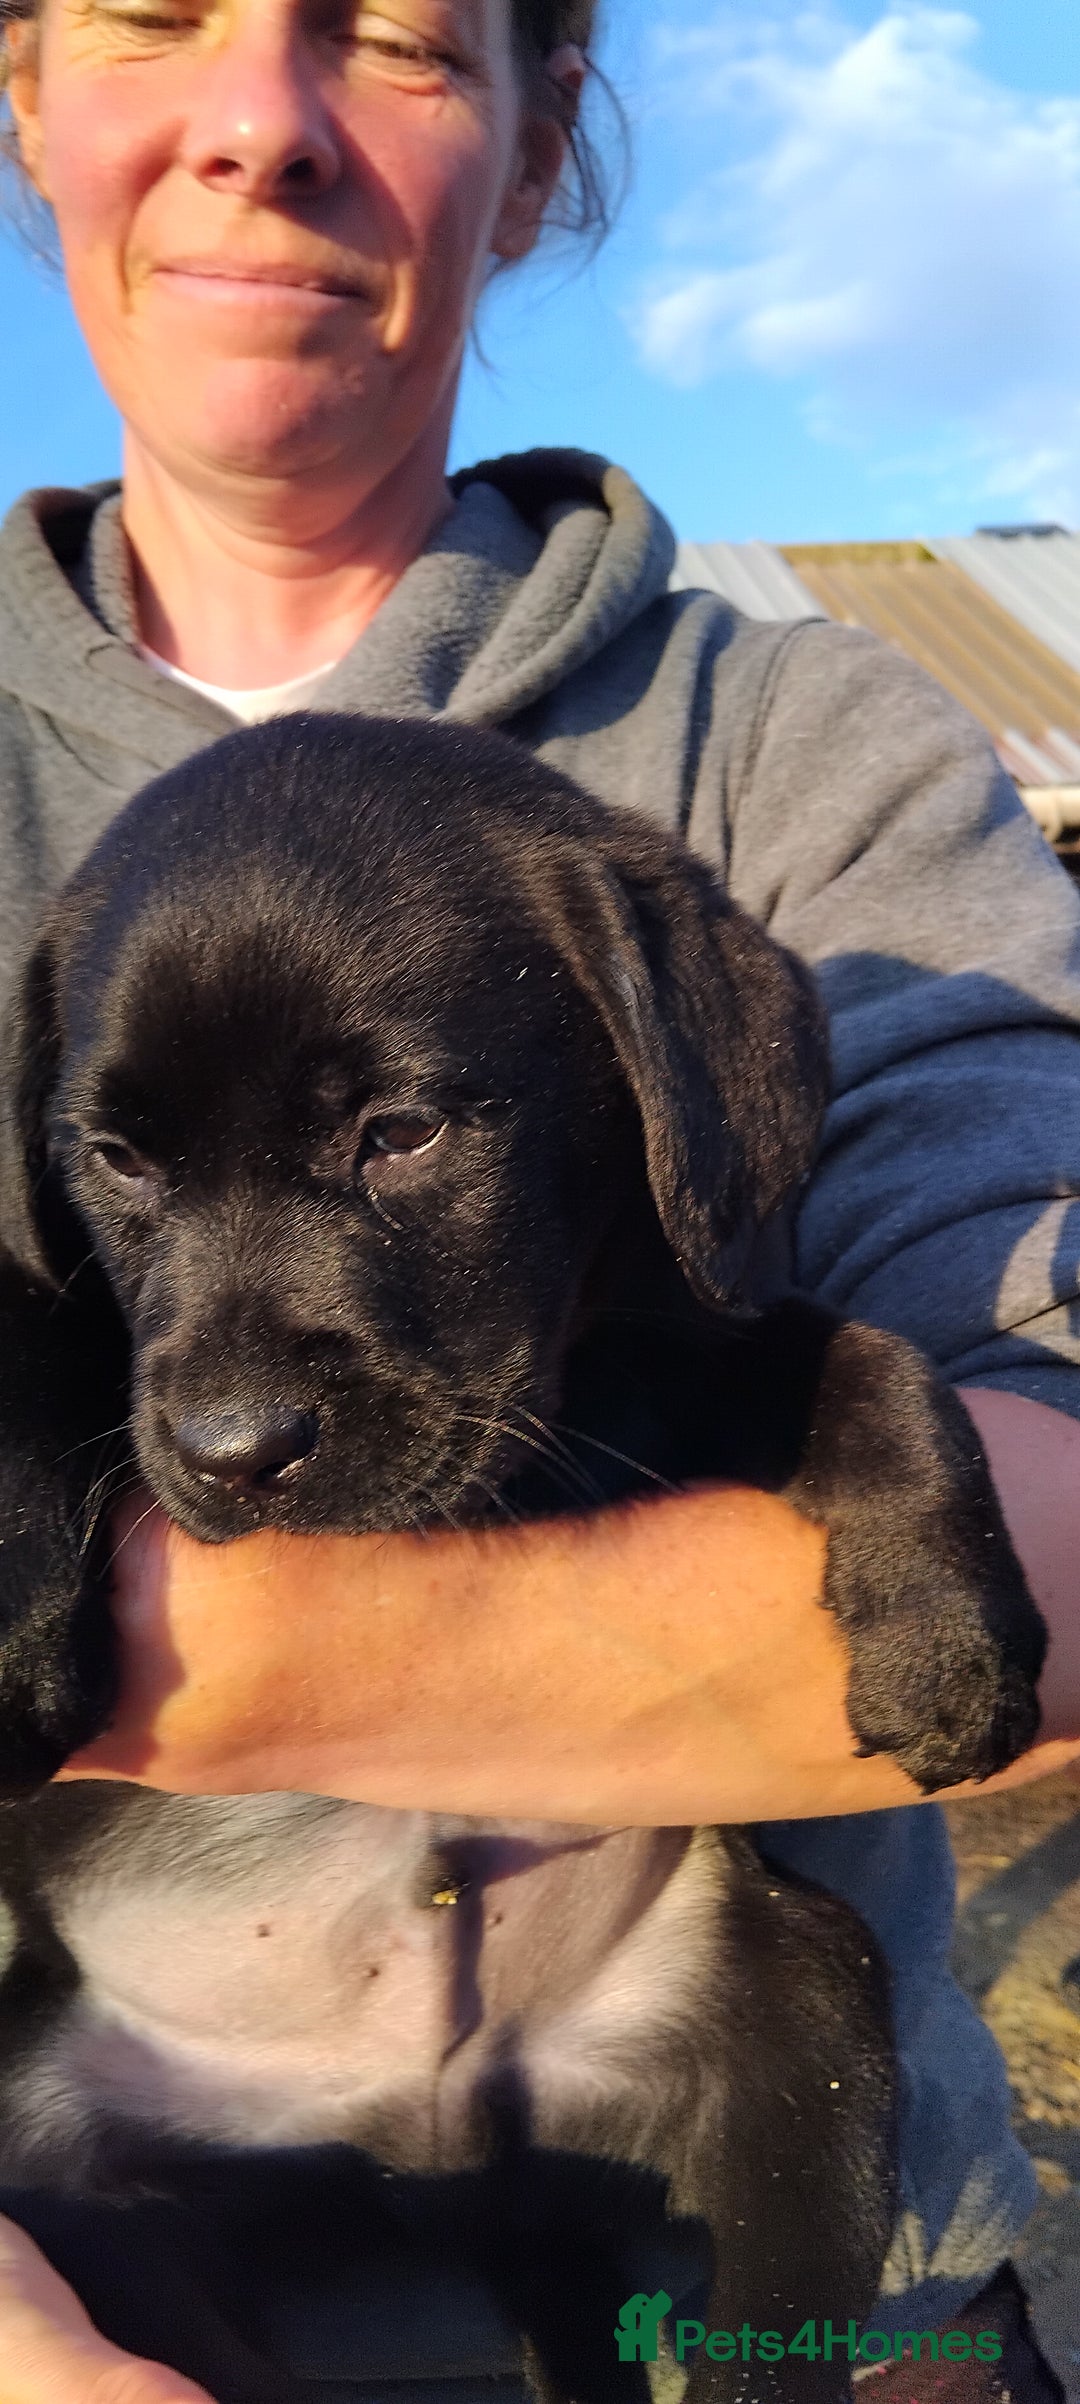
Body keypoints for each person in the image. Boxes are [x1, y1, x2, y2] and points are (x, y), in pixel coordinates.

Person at [0, 0, 1078, 2397]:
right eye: (154, 15)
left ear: (536, 131)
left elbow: (1063, 1498)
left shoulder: (800, 748)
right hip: (114, 2216)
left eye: (391, 36)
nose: (259, 123)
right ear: (28, 96)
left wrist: (181, 1654)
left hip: (764, 2231)